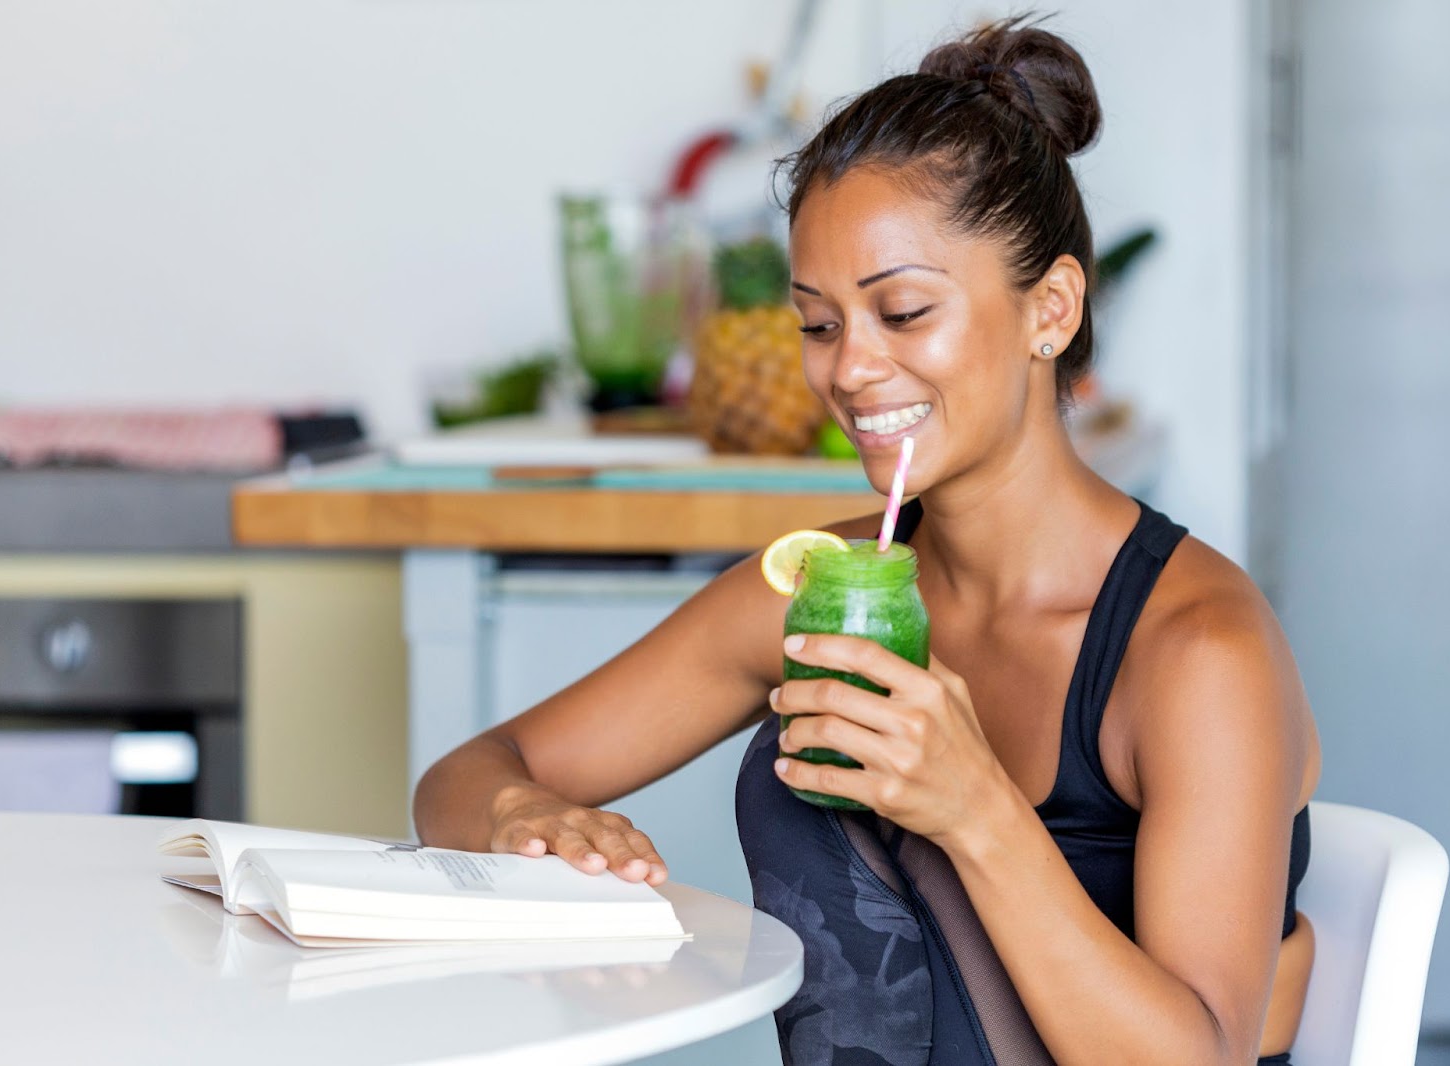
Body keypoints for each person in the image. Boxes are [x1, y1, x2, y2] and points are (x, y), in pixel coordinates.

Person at [415, 16, 1321, 1065]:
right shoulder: (817, 592)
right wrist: (526, 812)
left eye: (901, 310)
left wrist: (972, 806)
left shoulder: (1196, 651)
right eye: (819, 323)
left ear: (1053, 309)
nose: (849, 370)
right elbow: (467, 773)